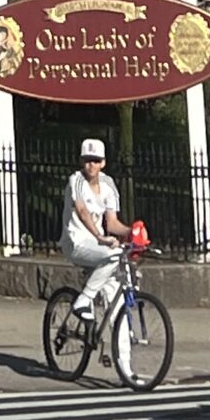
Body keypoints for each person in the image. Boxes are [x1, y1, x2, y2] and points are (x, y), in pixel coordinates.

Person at [63, 136, 132, 319]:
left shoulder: (108, 184)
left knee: (116, 296)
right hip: (76, 242)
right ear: (81, 161)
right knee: (113, 255)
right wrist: (100, 237)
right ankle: (83, 300)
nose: (91, 165)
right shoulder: (76, 180)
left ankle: (123, 348)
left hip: (98, 246)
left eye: (96, 161)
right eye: (87, 160)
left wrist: (131, 232)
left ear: (103, 163)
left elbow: (111, 222)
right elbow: (82, 211)